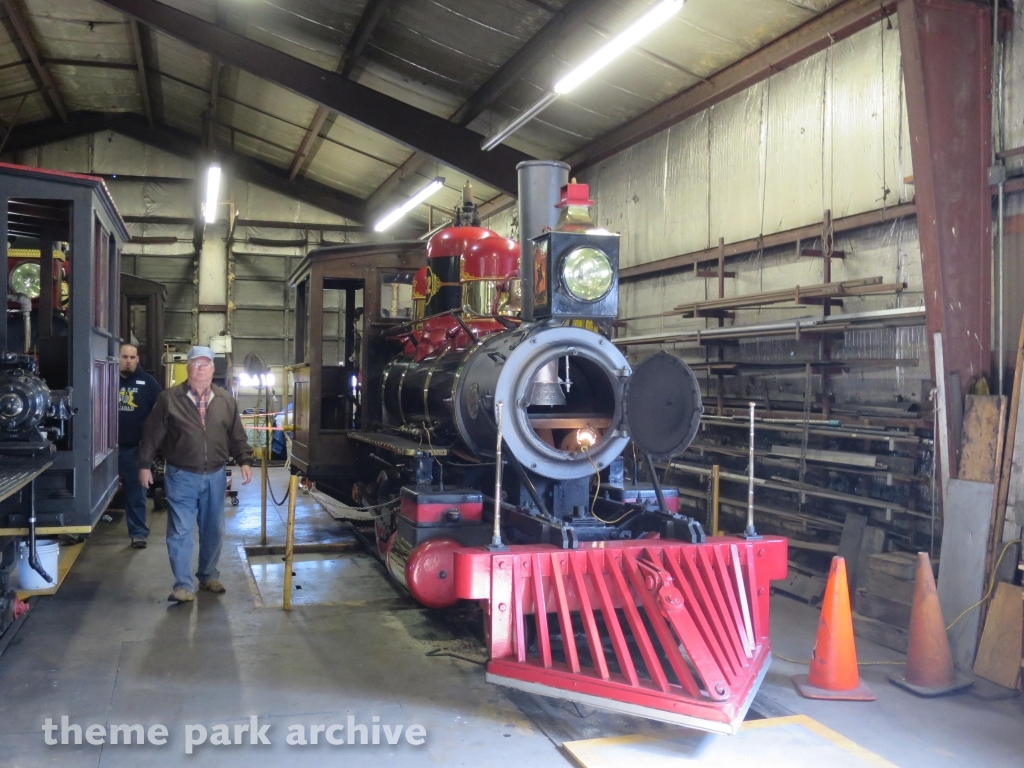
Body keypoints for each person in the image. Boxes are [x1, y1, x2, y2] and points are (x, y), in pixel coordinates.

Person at [139, 346, 253, 603]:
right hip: (181, 474)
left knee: (213, 529)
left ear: (213, 369)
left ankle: (208, 575)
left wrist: (244, 460)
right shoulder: (168, 398)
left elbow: (236, 435)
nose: (200, 368)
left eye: (206, 364)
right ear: (188, 367)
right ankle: (183, 585)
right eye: (196, 364)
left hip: (215, 473)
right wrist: (144, 464)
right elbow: (152, 433)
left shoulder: (226, 400)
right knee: (180, 530)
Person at [117, 343, 162, 549]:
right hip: (104, 449)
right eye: (124, 356)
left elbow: (162, 412)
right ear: (118, 358)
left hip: (134, 448)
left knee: (137, 492)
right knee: (92, 492)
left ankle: (138, 534)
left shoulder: (148, 383)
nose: (128, 360)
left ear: (137, 360)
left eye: (132, 357)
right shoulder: (107, 379)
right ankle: (80, 530)